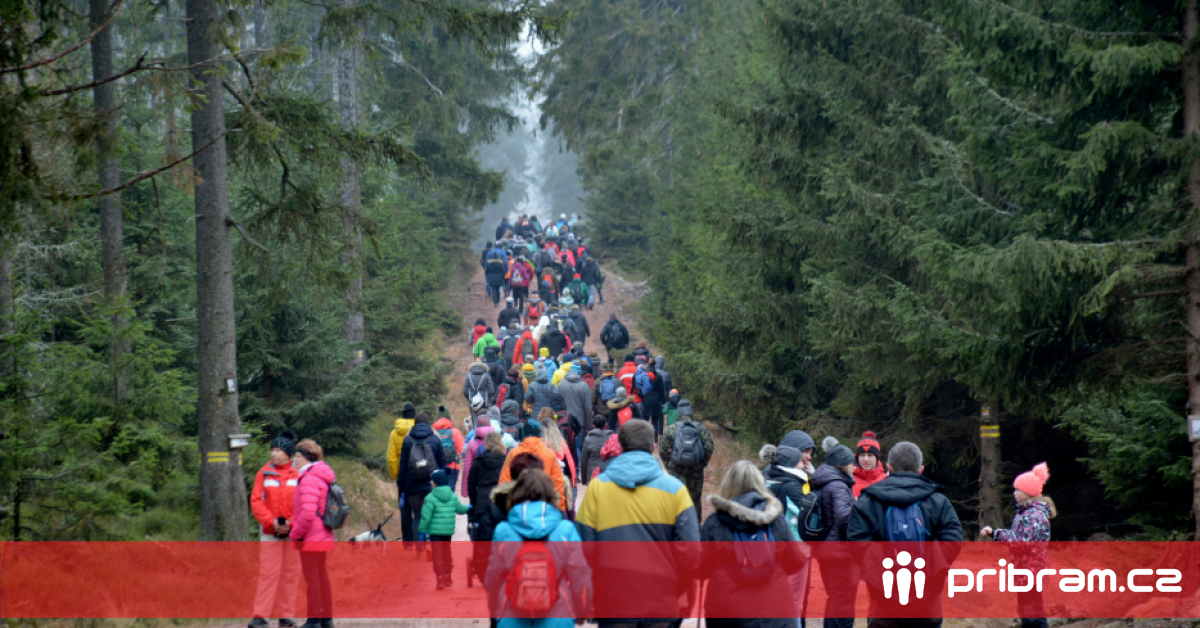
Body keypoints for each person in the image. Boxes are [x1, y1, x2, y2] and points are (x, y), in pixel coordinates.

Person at [577, 420, 700, 628]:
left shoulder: (597, 488)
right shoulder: (676, 490)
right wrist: (677, 589)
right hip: (661, 600)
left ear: (621, 446)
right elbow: (691, 551)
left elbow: (583, 549)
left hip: (613, 601)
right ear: (653, 447)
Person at [847, 441, 964, 628]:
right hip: (928, 596)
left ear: (888, 467)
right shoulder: (938, 500)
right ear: (921, 469)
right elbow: (953, 539)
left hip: (883, 595)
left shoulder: (867, 501)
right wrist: (934, 566)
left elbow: (856, 542)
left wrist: (876, 570)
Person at [699, 460, 808, 628]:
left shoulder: (715, 522)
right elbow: (795, 562)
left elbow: (701, 569)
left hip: (727, 611)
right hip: (775, 610)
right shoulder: (776, 519)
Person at [484, 469, 593, 628]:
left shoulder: (503, 531)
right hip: (558, 616)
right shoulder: (565, 530)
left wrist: (494, 612)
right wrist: (583, 610)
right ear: (551, 495)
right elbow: (580, 576)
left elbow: (493, 578)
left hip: (511, 615)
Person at [980, 463, 1053, 628]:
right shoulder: (1025, 513)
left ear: (1028, 492)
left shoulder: (1034, 515)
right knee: (1026, 610)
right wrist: (996, 533)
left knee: (1033, 611)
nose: (1014, 493)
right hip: (1025, 569)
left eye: (1017, 490)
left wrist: (996, 534)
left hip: (1032, 570)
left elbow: (1022, 542)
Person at [760, 430, 817, 628]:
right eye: (805, 452)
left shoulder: (773, 475)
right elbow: (808, 511)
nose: (808, 458)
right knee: (793, 600)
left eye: (811, 453)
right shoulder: (788, 481)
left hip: (773, 546)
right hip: (793, 545)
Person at [249, 431, 302, 628]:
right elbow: (256, 502)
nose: (273, 454)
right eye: (272, 450)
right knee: (268, 574)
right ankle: (260, 617)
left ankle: (286, 616)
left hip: (294, 532)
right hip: (270, 532)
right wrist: (272, 523)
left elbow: (305, 504)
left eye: (278, 450)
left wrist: (291, 524)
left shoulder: (300, 473)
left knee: (291, 575)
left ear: (288, 453)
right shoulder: (263, 473)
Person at [810, 438, 859, 628]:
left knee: (836, 596)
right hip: (840, 551)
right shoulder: (838, 485)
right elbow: (843, 517)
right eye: (851, 462)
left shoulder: (825, 481)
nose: (854, 466)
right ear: (842, 464)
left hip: (827, 548)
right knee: (842, 598)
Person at [289, 439, 335, 628]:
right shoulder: (320, 475)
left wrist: (295, 534)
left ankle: (313, 619)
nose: (294, 459)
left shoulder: (308, 479)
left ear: (307, 457)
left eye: (298, 456)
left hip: (310, 535)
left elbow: (308, 512)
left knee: (312, 578)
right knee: (321, 575)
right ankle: (326, 619)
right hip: (322, 533)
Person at [396, 413, 448, 552]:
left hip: (412, 486)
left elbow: (403, 466)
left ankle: (419, 549)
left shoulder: (407, 440)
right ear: (428, 423)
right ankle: (431, 545)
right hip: (431, 485)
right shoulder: (435, 439)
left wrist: (401, 486)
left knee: (418, 516)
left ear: (415, 424)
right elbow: (443, 464)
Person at [497, 418, 569, 512]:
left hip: (519, 507)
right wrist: (559, 509)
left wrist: (507, 509)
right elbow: (558, 484)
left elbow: (504, 482)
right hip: (544, 507)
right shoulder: (549, 454)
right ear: (540, 433)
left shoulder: (514, 454)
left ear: (524, 433)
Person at [658, 399, 714, 512]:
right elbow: (709, 447)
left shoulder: (672, 429)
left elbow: (662, 449)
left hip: (676, 469)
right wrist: (703, 462)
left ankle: (677, 521)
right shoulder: (700, 428)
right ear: (691, 412)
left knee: (676, 499)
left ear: (679, 413)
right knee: (695, 500)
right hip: (696, 469)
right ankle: (695, 521)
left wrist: (668, 464)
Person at [420, 469, 470, 589]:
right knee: (446, 552)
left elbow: (426, 517)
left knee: (437, 554)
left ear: (435, 483)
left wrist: (422, 530)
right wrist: (469, 507)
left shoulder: (430, 497)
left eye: (432, 480)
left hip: (435, 532)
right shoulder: (452, 496)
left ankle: (440, 578)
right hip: (448, 531)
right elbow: (460, 509)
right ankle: (448, 576)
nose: (430, 482)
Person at [539, 412, 578, 515]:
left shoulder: (538, 445)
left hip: (542, 483)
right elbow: (570, 464)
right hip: (561, 482)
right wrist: (572, 483)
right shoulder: (561, 443)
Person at [555, 363, 594, 440]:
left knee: (564, 445)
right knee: (578, 445)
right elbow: (588, 408)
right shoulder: (584, 386)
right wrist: (589, 425)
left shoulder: (560, 384)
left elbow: (555, 402)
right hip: (579, 422)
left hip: (563, 421)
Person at [432, 413, 465, 491]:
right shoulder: (455, 432)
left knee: (438, 490)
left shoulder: (433, 433)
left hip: (438, 468)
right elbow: (463, 451)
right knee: (450, 490)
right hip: (453, 467)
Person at [461, 425, 493, 499]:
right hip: (495, 482)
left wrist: (465, 490)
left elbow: (467, 467)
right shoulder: (498, 442)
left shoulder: (472, 441)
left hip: (479, 482)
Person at [852, 431, 888, 498]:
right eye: (862, 455)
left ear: (877, 457)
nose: (866, 459)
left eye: (870, 455)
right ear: (857, 457)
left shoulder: (886, 480)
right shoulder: (849, 480)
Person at [580, 415, 613, 483]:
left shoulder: (588, 439)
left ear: (594, 425)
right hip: (609, 473)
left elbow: (584, 460)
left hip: (593, 474)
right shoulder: (612, 437)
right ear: (605, 424)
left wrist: (584, 479)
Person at [485, 242, 509, 306]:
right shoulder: (502, 252)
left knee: (493, 289)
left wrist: (486, 273)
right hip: (499, 276)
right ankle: (497, 301)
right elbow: (506, 263)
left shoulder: (490, 252)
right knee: (498, 289)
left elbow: (486, 264)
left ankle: (495, 302)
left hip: (491, 277)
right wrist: (505, 273)